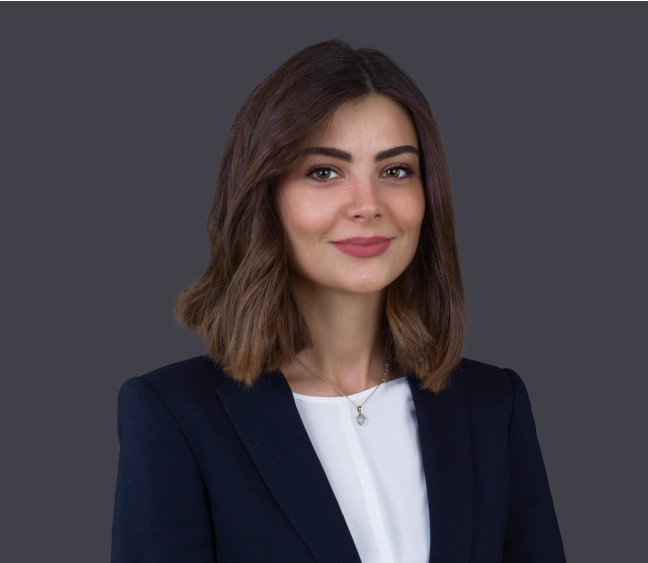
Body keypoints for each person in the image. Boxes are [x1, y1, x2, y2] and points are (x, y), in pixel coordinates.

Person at [111, 39, 567, 563]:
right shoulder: (175, 413)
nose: (367, 206)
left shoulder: (492, 405)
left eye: (395, 171)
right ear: (265, 196)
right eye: (324, 172)